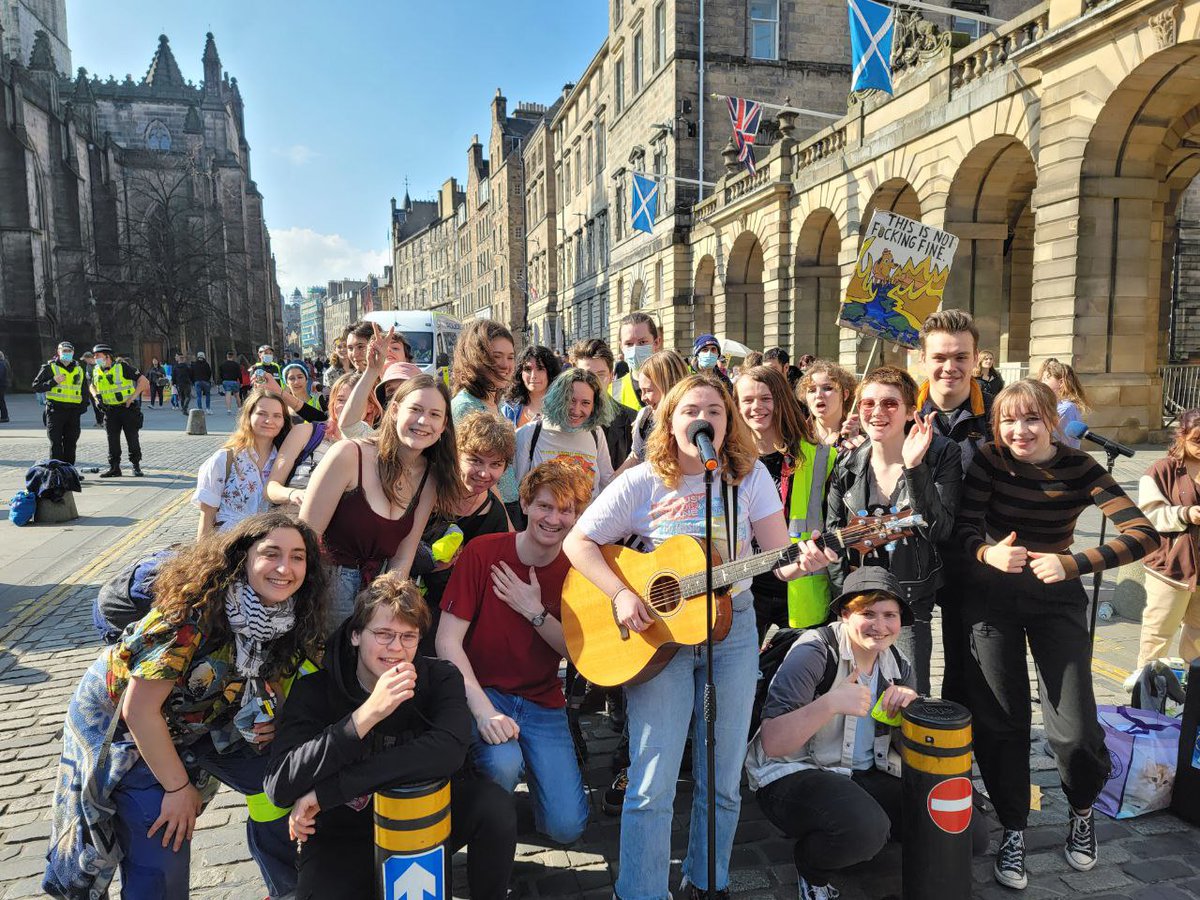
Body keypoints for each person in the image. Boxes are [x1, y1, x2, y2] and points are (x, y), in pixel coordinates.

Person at [563, 373, 837, 899]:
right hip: (658, 636)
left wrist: (805, 561)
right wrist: (619, 594)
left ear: (728, 422)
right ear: (670, 420)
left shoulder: (748, 478)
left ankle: (708, 881)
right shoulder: (644, 481)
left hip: (732, 633)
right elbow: (579, 542)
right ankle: (641, 891)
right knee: (653, 779)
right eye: (691, 410)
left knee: (722, 776)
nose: (703, 419)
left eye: (715, 410)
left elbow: (778, 559)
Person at [43, 511, 327, 900]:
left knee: (290, 777)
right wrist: (177, 788)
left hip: (198, 721)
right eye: (271, 553)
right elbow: (138, 711)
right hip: (125, 731)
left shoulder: (284, 615)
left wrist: (272, 717)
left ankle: (290, 888)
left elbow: (270, 674)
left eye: (297, 557)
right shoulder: (191, 614)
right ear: (242, 558)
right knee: (162, 833)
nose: (285, 568)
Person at [958, 379, 1157, 890]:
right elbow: (965, 528)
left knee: (1075, 727)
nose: (1019, 431)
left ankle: (1082, 809)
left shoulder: (1080, 467)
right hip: (993, 599)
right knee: (1003, 721)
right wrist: (987, 552)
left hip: (1057, 598)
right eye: (1008, 420)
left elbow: (1144, 534)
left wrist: (1075, 563)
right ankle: (1013, 827)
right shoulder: (990, 461)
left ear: (1052, 420)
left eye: (1031, 419)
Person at [265, 573, 516, 900]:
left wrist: (331, 790)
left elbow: (447, 751)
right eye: (383, 634)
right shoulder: (315, 690)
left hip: (425, 815)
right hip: (345, 835)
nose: (396, 648)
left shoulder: (440, 677)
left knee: (494, 806)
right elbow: (279, 784)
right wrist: (365, 716)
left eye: (408, 636)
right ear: (356, 635)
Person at [746, 567, 988, 900]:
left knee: (968, 834)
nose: (880, 625)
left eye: (890, 615)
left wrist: (911, 716)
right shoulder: (814, 653)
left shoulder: (898, 663)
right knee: (865, 830)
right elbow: (773, 743)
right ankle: (812, 866)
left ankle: (866, 833)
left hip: (866, 771)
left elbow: (908, 753)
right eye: (868, 613)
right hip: (796, 772)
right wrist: (829, 704)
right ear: (845, 614)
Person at [436, 460, 591, 846]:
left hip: (542, 700)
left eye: (566, 510)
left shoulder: (578, 570)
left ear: (577, 516)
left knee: (566, 827)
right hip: (484, 692)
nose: (553, 519)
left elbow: (580, 655)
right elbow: (447, 641)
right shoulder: (483, 552)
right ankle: (484, 820)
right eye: (544, 506)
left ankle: (518, 796)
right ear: (524, 504)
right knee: (504, 764)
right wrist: (483, 711)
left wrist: (534, 612)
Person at [824, 366, 962, 696]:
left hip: (909, 600)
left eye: (889, 403)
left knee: (908, 695)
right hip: (859, 600)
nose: (877, 412)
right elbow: (833, 534)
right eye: (868, 403)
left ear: (911, 411)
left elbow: (939, 529)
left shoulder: (940, 454)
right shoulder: (847, 462)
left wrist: (914, 468)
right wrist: (845, 599)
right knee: (853, 694)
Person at [301, 374, 458, 634]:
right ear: (394, 410)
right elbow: (305, 538)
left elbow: (403, 557)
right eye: (415, 409)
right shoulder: (349, 454)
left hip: (378, 593)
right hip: (326, 591)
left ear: (443, 426)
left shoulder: (430, 478)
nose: (423, 421)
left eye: (434, 415)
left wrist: (384, 609)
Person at [914, 309, 991, 706]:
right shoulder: (899, 412)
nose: (950, 367)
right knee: (909, 662)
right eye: (940, 357)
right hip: (914, 555)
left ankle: (961, 730)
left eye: (961, 357)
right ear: (923, 359)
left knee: (967, 666)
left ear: (976, 358)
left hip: (972, 558)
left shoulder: (998, 415)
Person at [735, 365, 839, 639]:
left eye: (765, 398)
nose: (756, 407)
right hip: (745, 586)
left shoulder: (821, 456)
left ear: (781, 400)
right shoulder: (727, 460)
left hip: (801, 586)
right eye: (747, 400)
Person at [418, 410, 515, 646]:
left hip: (451, 621)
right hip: (406, 607)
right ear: (456, 454)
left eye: (496, 464)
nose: (484, 473)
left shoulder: (493, 516)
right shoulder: (426, 486)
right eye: (475, 460)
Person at [1132, 407, 1200, 675]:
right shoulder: (1162, 470)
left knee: (1198, 636)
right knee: (1158, 634)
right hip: (1172, 567)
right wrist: (1185, 514)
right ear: (1181, 436)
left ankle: (1194, 690)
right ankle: (1146, 691)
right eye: (1197, 441)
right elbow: (1149, 515)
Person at [195, 388, 291, 536]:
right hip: (228, 545)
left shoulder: (286, 461)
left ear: (284, 421)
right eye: (261, 414)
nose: (269, 421)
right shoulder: (225, 459)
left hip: (267, 546)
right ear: (248, 416)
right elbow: (206, 518)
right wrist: (202, 551)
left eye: (277, 416)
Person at [514, 367, 614, 502]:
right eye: (571, 400)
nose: (576, 410)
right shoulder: (529, 433)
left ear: (594, 406)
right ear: (558, 398)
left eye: (585, 403)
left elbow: (607, 483)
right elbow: (518, 489)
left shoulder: (596, 433)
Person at [450, 318, 519, 509]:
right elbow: (481, 473)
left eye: (510, 357)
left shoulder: (494, 401)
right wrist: (505, 518)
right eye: (497, 356)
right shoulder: (466, 406)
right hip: (489, 508)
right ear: (477, 359)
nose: (505, 365)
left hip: (506, 502)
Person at [265, 372, 359, 509]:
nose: (347, 406)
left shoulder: (373, 447)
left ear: (371, 406)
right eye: (340, 400)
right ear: (332, 403)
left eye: (355, 399)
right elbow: (271, 487)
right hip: (293, 516)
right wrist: (293, 494)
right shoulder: (305, 433)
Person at [615, 348, 689, 476]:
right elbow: (636, 456)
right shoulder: (645, 416)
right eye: (641, 391)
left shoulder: (692, 421)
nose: (643, 398)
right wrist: (611, 482)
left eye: (648, 390)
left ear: (670, 385)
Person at [571, 338, 637, 471]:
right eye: (586, 375)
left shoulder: (632, 421)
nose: (594, 382)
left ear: (611, 376)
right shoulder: (560, 419)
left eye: (600, 375)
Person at [90, 344, 150, 479]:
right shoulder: (96, 370)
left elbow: (144, 381)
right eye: (94, 356)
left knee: (132, 438)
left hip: (127, 409)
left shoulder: (122, 367)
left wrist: (132, 398)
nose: (95, 358)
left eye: (98, 356)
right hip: (110, 410)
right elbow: (92, 385)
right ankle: (114, 468)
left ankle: (136, 466)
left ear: (107, 357)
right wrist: (96, 397)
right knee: (112, 441)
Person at [32, 341, 87, 466]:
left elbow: (84, 391)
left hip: (73, 411)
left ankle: (69, 470)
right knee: (56, 443)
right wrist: (53, 381)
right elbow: (36, 386)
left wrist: (82, 408)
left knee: (71, 443)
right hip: (55, 410)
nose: (66, 353)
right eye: (64, 351)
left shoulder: (79, 369)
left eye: (69, 351)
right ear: (58, 352)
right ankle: (56, 470)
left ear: (73, 352)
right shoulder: (49, 367)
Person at [799, 360, 863, 452]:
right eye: (812, 390)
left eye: (827, 388)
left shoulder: (860, 438)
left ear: (845, 395)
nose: (818, 395)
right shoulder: (796, 435)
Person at [612, 311, 663, 410]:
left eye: (642, 342)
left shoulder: (676, 383)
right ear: (621, 347)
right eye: (629, 344)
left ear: (656, 343)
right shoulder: (613, 390)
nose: (635, 349)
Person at [501, 344, 562, 428]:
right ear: (520, 373)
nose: (533, 376)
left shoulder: (564, 408)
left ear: (551, 372)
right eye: (528, 369)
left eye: (540, 369)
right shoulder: (509, 410)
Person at [1038, 358, 1089, 449]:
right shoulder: (1060, 406)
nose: (1042, 383)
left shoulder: (1065, 408)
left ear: (1061, 382)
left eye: (1046, 379)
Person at [80, 350, 105, 428]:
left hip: (102, 388)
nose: (85, 361)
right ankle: (99, 422)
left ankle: (105, 421)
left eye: (85, 359)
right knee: (95, 406)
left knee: (104, 405)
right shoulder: (88, 366)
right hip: (92, 389)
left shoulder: (99, 363)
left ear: (89, 358)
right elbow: (88, 377)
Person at [0, 349, 8, 422]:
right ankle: (4, 416)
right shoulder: (3, 363)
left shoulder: (1, 364)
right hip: (2, 384)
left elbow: (1, 375)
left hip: (1, 385)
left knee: (1, 401)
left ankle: (4, 417)